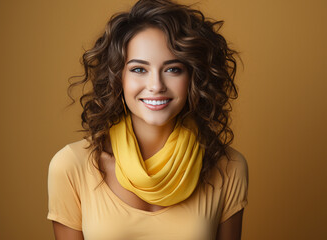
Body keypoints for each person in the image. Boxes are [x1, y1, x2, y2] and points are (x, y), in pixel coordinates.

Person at [47, 0, 249, 239]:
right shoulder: (71, 166)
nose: (156, 86)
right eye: (139, 69)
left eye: (173, 69)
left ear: (194, 77)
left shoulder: (228, 167)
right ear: (117, 77)